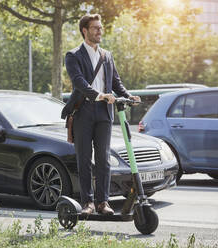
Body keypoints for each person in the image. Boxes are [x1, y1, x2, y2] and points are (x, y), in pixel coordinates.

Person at [61, 14, 140, 215]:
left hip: (105, 113)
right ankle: (87, 202)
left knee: (104, 159)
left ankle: (102, 202)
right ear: (84, 31)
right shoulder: (73, 55)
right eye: (95, 28)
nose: (99, 31)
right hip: (83, 111)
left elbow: (115, 81)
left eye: (100, 28)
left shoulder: (107, 55)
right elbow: (79, 82)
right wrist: (99, 95)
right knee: (85, 159)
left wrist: (128, 95)